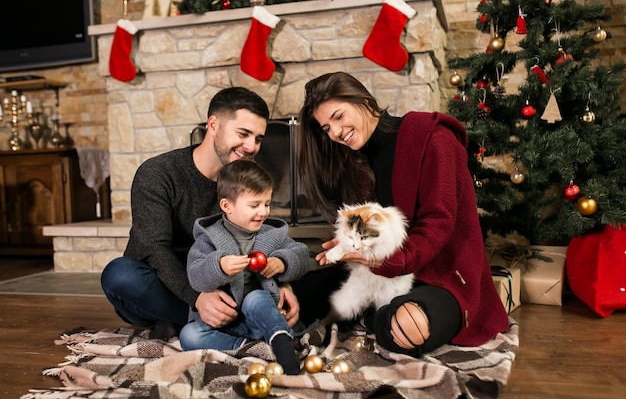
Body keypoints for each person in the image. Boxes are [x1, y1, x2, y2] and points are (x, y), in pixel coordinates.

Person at [295, 72, 509, 356]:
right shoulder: (356, 162)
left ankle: (376, 317)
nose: (335, 132)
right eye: (326, 128)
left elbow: (438, 224)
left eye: (338, 116)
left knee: (407, 325)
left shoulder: (434, 138)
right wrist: (349, 245)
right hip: (380, 275)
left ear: (363, 101)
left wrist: (386, 260)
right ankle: (371, 314)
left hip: (439, 278)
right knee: (295, 293)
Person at [100, 87, 301, 341]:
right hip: (164, 284)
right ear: (213, 125)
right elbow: (154, 250)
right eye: (243, 133)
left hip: (227, 284)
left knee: (316, 277)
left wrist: (280, 282)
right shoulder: (157, 174)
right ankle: (220, 321)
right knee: (119, 275)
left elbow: (263, 238)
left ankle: (189, 323)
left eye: (259, 138)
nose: (251, 146)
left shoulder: (247, 179)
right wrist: (197, 299)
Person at [179, 159, 309, 375]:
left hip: (263, 314)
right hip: (226, 324)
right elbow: (195, 275)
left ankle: (280, 340)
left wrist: (282, 262)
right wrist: (218, 266)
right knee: (189, 336)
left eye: (267, 203)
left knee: (255, 298)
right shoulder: (209, 238)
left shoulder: (271, 234)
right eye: (254, 205)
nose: (263, 212)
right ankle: (253, 347)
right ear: (226, 206)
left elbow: (302, 255)